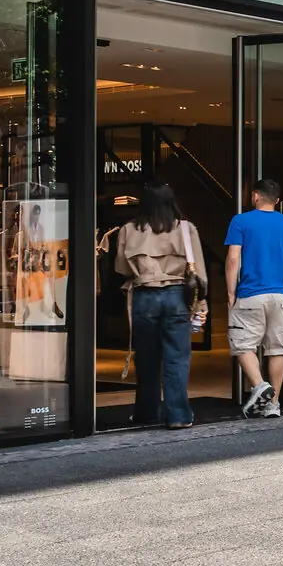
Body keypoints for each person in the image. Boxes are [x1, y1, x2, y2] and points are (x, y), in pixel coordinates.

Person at [113, 183, 206, 429]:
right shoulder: (186, 229)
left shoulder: (128, 230)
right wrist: (202, 301)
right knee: (177, 358)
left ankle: (147, 413)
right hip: (177, 295)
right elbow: (199, 272)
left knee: (146, 359)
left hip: (144, 295)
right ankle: (178, 415)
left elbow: (121, 268)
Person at [225, 179, 283, 418]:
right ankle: (273, 404)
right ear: (277, 201)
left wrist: (230, 292)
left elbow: (232, 260)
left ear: (254, 196)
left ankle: (260, 385)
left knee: (242, 345)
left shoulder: (240, 221)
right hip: (279, 295)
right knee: (277, 350)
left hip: (250, 294)